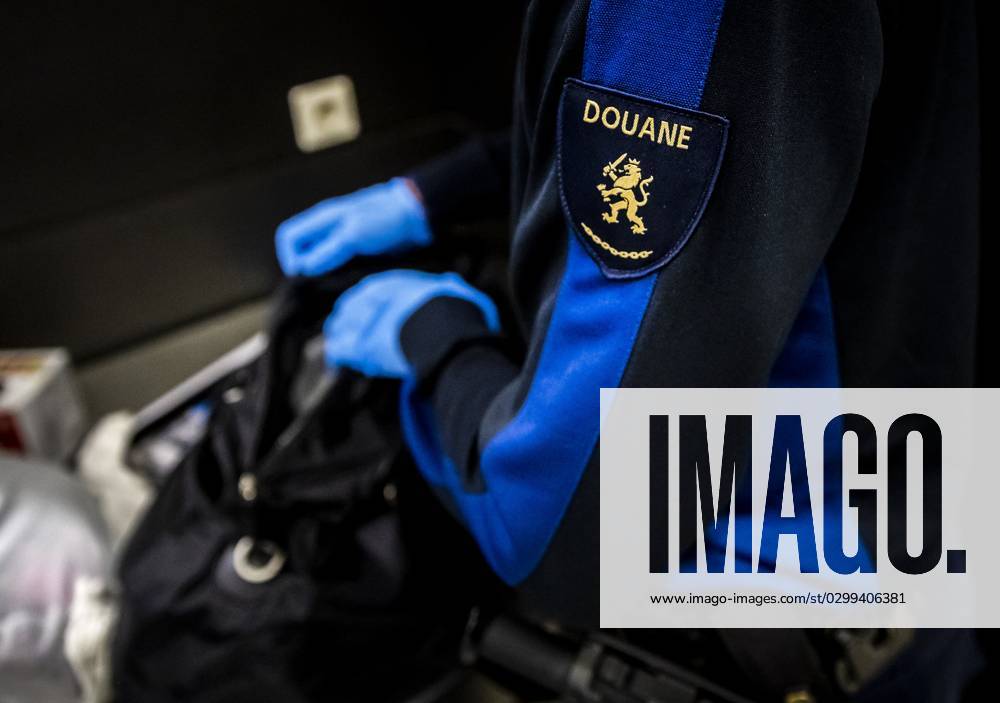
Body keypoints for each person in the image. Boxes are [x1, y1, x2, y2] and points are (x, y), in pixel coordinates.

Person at [274, 1, 981, 699]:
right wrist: (439, 191)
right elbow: (780, 126)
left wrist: (429, 331)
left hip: (767, 622)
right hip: (913, 549)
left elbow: (573, 533)